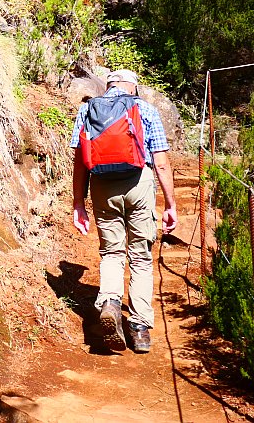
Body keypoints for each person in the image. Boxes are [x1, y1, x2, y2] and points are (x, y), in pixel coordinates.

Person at [69, 69, 177, 353]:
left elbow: (80, 162)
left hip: (102, 185)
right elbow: (162, 163)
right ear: (133, 88)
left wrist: (78, 203)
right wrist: (171, 204)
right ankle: (140, 328)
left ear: (109, 87)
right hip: (139, 182)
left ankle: (110, 303)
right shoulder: (145, 109)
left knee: (111, 252)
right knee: (140, 256)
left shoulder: (88, 110)